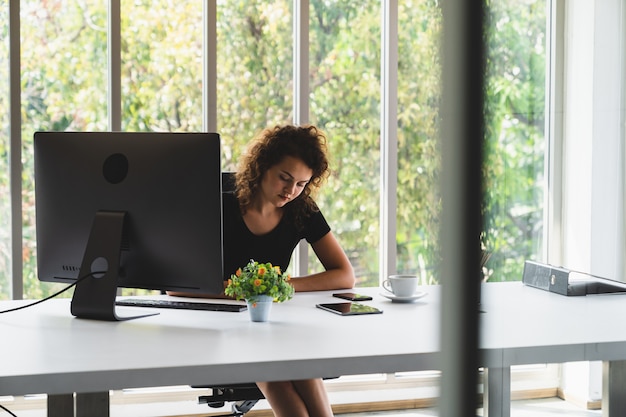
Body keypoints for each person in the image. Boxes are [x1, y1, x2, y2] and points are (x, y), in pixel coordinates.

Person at [174, 124, 356, 416]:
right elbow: (176, 285)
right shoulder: (219, 205)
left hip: (272, 324)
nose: (290, 191)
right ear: (262, 167)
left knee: (305, 367)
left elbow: (344, 274)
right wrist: (241, 293)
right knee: (282, 377)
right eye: (284, 178)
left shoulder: (301, 209)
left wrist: (276, 288)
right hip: (223, 327)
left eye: (301, 184)